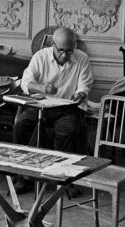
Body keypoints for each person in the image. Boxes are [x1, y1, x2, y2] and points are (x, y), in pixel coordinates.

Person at [12, 28, 93, 191]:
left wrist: (80, 94)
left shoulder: (82, 58)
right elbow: (25, 83)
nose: (65, 55)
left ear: (75, 46)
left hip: (67, 108)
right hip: (41, 105)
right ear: (52, 44)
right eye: (61, 50)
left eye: (70, 51)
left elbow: (85, 84)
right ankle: (23, 175)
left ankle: (64, 178)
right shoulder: (40, 57)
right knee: (21, 125)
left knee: (67, 130)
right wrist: (42, 87)